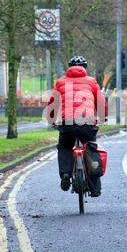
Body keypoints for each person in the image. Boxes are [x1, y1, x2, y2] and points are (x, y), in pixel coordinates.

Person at [46, 56, 108, 197]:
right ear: (84, 68)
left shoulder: (61, 82)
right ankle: (95, 188)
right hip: (87, 123)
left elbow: (53, 103)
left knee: (65, 147)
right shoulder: (91, 82)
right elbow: (101, 101)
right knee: (91, 149)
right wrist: (103, 117)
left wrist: (51, 120)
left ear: (69, 67)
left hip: (67, 123)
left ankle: (66, 174)